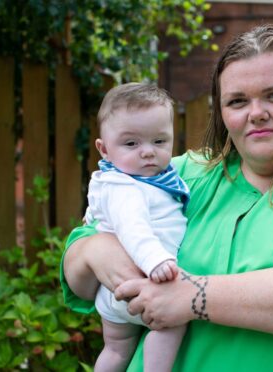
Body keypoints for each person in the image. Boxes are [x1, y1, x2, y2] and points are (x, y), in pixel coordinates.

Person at [61, 24, 273, 371]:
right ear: (222, 113)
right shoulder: (182, 177)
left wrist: (192, 296)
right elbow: (79, 268)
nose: (256, 113)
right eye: (237, 101)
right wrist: (93, 250)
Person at [84, 83, 189, 372]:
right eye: (131, 144)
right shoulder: (126, 187)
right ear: (104, 149)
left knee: (116, 350)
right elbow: (133, 228)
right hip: (142, 279)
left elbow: (97, 210)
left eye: (159, 141)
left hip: (113, 293)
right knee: (172, 324)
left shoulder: (112, 179)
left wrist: (90, 216)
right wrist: (155, 261)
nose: (147, 153)